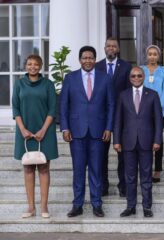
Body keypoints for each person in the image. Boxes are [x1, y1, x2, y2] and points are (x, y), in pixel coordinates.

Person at [60, 46, 114, 218]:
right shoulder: (70, 78)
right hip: (76, 132)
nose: (88, 60)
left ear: (95, 59)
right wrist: (65, 127)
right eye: (85, 57)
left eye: (91, 57)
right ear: (79, 59)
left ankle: (97, 204)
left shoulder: (105, 78)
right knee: (78, 170)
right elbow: (63, 105)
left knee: (96, 169)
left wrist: (109, 127)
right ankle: (77, 205)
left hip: (99, 131)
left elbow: (111, 105)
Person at [12, 54, 58, 218]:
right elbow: (16, 109)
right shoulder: (19, 84)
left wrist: (43, 130)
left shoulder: (48, 84)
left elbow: (53, 109)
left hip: (45, 131)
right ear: (26, 66)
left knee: (44, 168)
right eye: (30, 64)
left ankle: (44, 206)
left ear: (41, 66)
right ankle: (31, 207)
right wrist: (23, 129)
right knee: (28, 168)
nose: (33, 67)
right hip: (24, 132)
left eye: (36, 64)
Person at [113, 66, 163, 218]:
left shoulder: (153, 95)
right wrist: (116, 140)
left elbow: (158, 121)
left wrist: (157, 140)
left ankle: (147, 207)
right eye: (133, 76)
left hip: (147, 142)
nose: (136, 78)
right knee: (130, 176)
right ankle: (130, 206)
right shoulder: (123, 95)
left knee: (146, 176)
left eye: (139, 76)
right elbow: (118, 120)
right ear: (130, 78)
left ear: (144, 77)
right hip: (127, 142)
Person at [95, 37, 132, 197]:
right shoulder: (96, 67)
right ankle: (103, 186)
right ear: (104, 48)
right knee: (101, 154)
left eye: (114, 46)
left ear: (118, 49)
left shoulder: (126, 66)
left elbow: (129, 92)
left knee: (122, 154)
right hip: (101, 117)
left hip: (121, 117)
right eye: (108, 46)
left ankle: (123, 186)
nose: (111, 48)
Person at [141, 45, 164, 183]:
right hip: (143, 111)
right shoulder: (141, 70)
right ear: (147, 56)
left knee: (158, 139)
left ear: (158, 56)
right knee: (145, 139)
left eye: (155, 54)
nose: (152, 56)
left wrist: (159, 107)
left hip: (160, 111)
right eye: (150, 54)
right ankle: (146, 168)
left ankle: (157, 170)